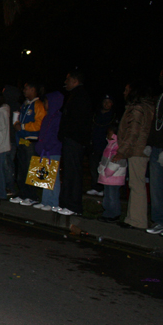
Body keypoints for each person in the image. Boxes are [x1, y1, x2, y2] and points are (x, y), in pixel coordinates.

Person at [113, 81, 153, 229]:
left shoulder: (137, 108)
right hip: (138, 150)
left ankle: (138, 221)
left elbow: (133, 132)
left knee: (137, 185)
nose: (124, 93)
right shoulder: (144, 106)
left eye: (127, 90)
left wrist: (122, 151)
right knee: (136, 184)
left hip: (137, 150)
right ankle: (132, 218)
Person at [57, 71, 92, 216]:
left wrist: (70, 135)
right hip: (70, 139)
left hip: (75, 140)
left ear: (75, 80)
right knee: (68, 172)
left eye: (68, 79)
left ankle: (73, 206)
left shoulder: (81, 96)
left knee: (73, 173)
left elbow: (78, 121)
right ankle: (65, 203)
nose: (65, 82)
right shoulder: (74, 95)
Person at [146, 64, 163, 237]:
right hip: (156, 149)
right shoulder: (162, 96)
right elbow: (156, 122)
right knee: (157, 189)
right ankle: (160, 221)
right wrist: (150, 143)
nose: (161, 78)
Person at [10, 81, 45, 206]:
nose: (24, 91)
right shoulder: (25, 105)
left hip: (32, 141)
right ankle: (23, 193)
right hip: (23, 141)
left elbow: (40, 123)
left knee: (32, 170)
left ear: (33, 89)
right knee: (22, 169)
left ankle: (32, 196)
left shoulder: (38, 105)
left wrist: (23, 126)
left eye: (26, 88)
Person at [33, 91, 64, 211]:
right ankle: (45, 201)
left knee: (53, 177)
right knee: (44, 176)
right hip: (44, 150)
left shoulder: (58, 118)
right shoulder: (47, 117)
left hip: (53, 150)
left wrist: (47, 145)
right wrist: (40, 145)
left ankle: (53, 202)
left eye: (46, 102)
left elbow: (55, 135)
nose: (45, 104)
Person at [87, 94, 117, 196]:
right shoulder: (95, 115)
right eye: (105, 102)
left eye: (109, 102)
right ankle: (95, 187)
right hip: (95, 145)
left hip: (107, 147)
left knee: (106, 168)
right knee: (94, 167)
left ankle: (104, 188)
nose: (106, 104)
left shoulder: (114, 116)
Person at [96, 124, 126, 223]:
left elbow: (116, 161)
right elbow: (104, 160)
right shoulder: (109, 145)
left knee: (113, 196)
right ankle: (108, 213)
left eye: (109, 133)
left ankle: (114, 214)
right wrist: (101, 169)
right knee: (108, 196)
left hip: (114, 176)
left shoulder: (117, 146)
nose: (107, 135)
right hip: (107, 177)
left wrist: (107, 172)